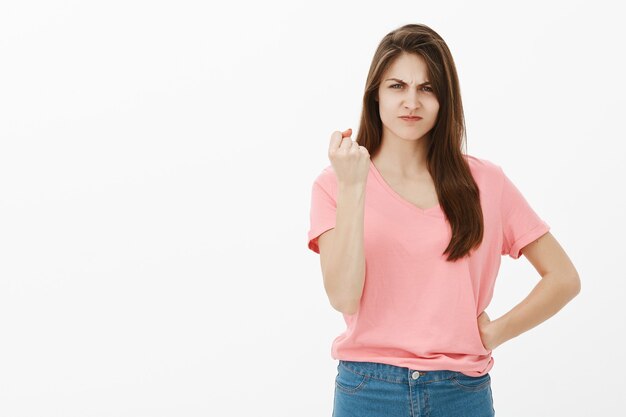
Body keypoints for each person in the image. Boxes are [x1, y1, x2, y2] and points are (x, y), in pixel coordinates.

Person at [306, 23, 581, 417]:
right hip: (368, 391)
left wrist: (494, 333)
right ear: (375, 96)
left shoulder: (486, 182)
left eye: (427, 88)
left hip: (460, 390)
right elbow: (344, 297)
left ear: (445, 98)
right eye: (397, 86)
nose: (411, 102)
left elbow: (563, 277)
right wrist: (353, 188)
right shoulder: (335, 185)